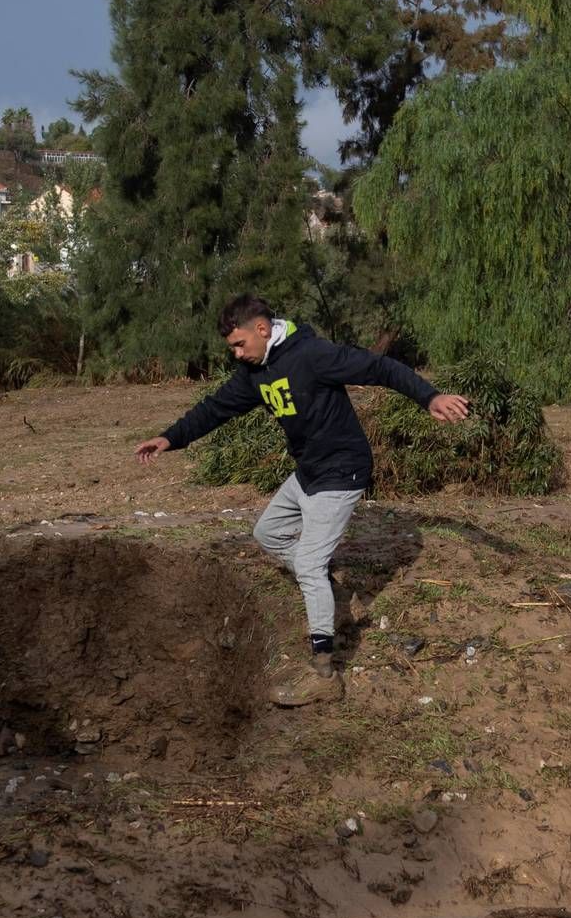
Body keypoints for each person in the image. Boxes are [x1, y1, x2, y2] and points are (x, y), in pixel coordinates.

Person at [135, 296, 471, 706]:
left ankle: (324, 673)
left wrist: (430, 397)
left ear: (262, 329)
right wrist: (171, 438)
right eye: (232, 349)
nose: (237, 354)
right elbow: (215, 408)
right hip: (309, 470)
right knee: (268, 532)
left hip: (342, 469)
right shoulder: (254, 371)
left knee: (310, 563)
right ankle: (332, 595)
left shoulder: (313, 355)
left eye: (240, 344)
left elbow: (379, 367)